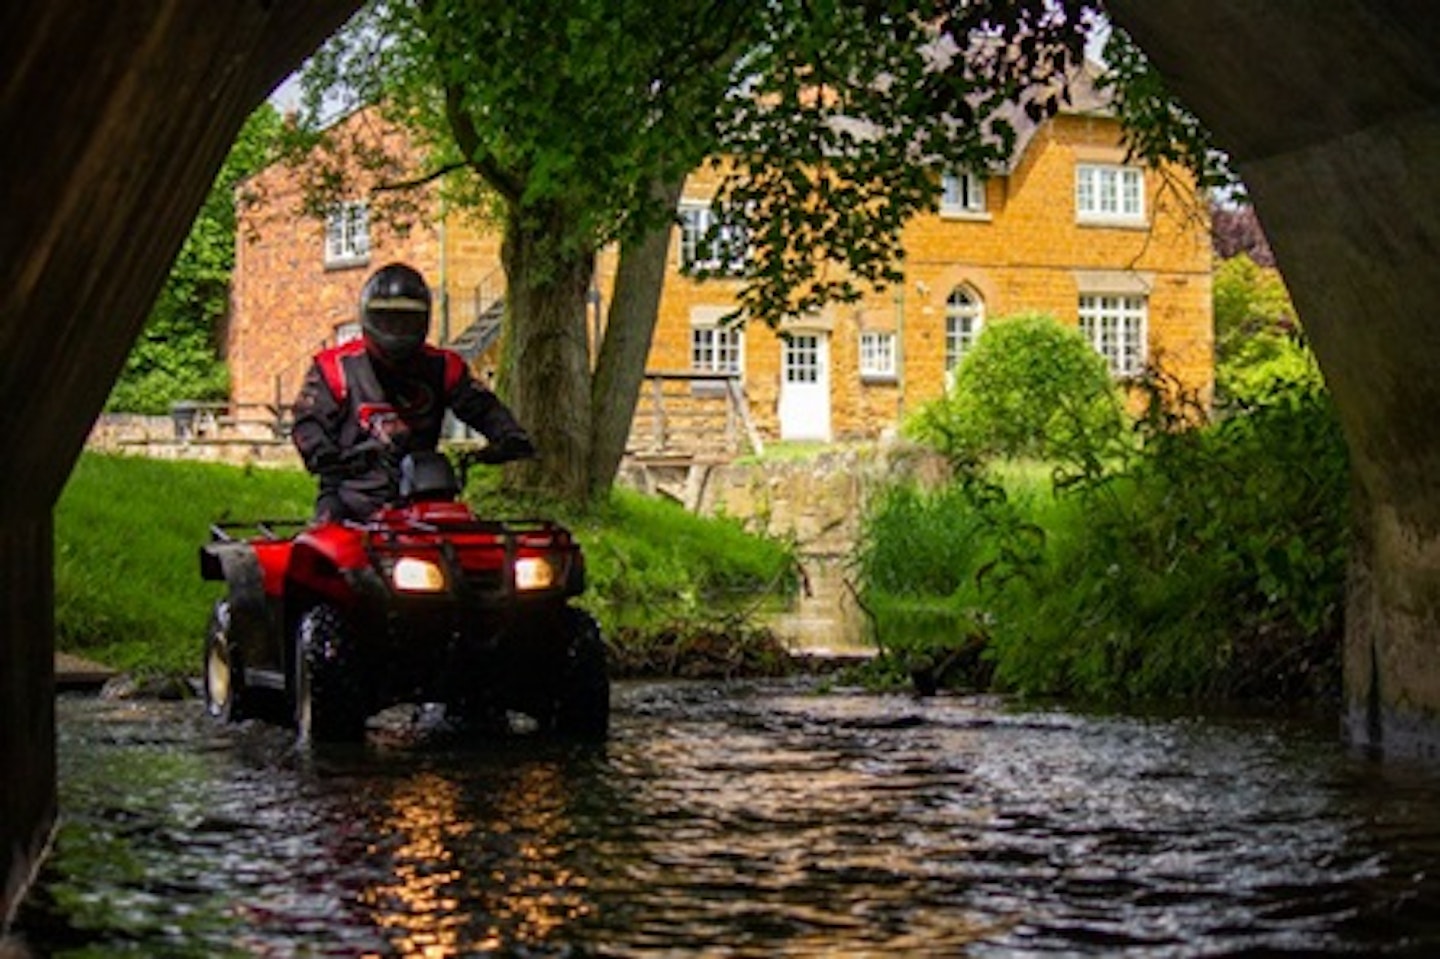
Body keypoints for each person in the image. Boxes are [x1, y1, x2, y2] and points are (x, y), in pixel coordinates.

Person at [291, 262, 533, 522]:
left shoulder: (442, 367)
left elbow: (482, 406)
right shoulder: (335, 368)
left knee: (472, 553)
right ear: (367, 316)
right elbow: (308, 421)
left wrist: (507, 435)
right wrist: (324, 454)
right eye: (387, 319)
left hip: (426, 494)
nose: (396, 329)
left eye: (405, 320)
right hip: (351, 496)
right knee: (325, 548)